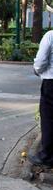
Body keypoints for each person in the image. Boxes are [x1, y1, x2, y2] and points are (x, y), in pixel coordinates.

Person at [30, 30, 53, 167]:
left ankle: (47, 156)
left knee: (49, 119)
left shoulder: (50, 36)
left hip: (51, 82)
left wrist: (37, 70)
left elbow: (40, 61)